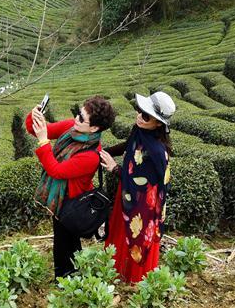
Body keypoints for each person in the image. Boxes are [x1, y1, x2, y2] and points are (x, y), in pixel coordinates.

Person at [27, 95, 117, 278]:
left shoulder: (91, 155)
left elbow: (56, 170)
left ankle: (65, 276)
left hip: (71, 201)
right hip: (62, 197)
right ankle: (71, 273)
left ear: (94, 128)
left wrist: (44, 142)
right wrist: (34, 116)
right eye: (78, 114)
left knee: (63, 241)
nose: (77, 118)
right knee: (66, 240)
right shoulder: (71, 127)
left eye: (82, 118)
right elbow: (37, 130)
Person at [98, 90, 175, 283]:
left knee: (135, 235)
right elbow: (127, 145)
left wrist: (115, 168)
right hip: (128, 194)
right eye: (139, 111)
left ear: (158, 123)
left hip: (143, 203)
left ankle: (132, 277)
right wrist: (100, 151)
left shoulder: (157, 151)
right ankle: (114, 269)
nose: (140, 117)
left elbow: (143, 183)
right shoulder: (140, 130)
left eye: (146, 115)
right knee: (120, 231)